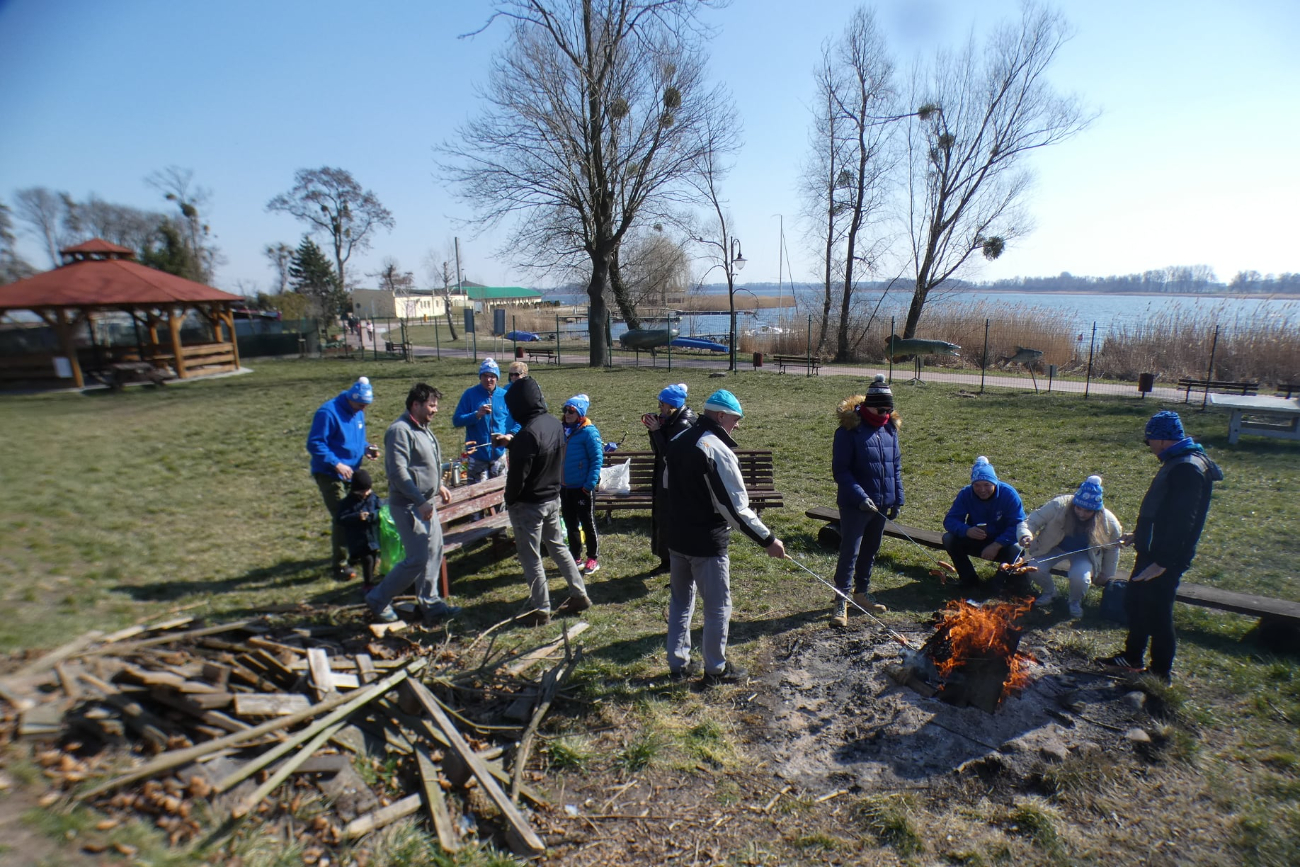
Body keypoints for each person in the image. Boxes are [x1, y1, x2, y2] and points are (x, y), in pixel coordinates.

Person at [664, 390, 786, 684]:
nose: (738, 425)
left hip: (676, 538)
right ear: (720, 416)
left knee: (681, 601)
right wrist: (768, 540)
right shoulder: (715, 449)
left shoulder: (677, 441)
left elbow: (666, 488)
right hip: (707, 544)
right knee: (718, 607)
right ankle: (715, 669)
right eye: (735, 419)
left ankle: (677, 664)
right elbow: (734, 507)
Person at [1097, 411, 1222, 682]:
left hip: (1165, 558)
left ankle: (1160, 672)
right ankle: (1132, 657)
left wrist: (1162, 562)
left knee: (1158, 611)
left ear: (1163, 439)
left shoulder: (1188, 468)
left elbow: (1182, 522)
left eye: (1149, 440)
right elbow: (1162, 513)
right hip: (1154, 550)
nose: (1149, 445)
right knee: (1137, 602)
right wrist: (1139, 535)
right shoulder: (1178, 461)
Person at [365, 383, 460, 625]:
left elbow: (422, 464)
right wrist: (419, 501)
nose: (435, 410)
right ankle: (377, 599)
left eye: (436, 405)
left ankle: (431, 604)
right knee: (417, 558)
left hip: (425, 503)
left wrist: (438, 485)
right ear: (415, 405)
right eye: (431, 405)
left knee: (434, 552)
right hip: (409, 506)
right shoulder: (400, 431)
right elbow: (397, 472)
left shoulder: (423, 428)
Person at [503, 376, 591, 626]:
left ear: (520, 405)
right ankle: (579, 594)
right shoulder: (554, 423)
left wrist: (510, 500)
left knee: (531, 557)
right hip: (553, 498)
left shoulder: (526, 435)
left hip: (528, 505)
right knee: (558, 548)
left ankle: (541, 609)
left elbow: (517, 478)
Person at [829, 375, 902, 627]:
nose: (885, 413)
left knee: (870, 550)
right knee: (850, 551)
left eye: (889, 409)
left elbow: (895, 466)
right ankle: (841, 599)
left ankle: (862, 592)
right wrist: (861, 497)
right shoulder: (848, 431)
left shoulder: (890, 428)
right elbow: (841, 471)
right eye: (881, 409)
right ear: (868, 405)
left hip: (882, 503)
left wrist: (897, 499)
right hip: (855, 504)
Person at [306, 376, 379, 579]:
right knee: (342, 516)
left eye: (366, 405)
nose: (363, 409)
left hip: (352, 473)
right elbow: (315, 443)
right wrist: (336, 463)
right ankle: (339, 564)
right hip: (330, 473)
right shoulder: (328, 413)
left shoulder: (357, 412)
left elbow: (357, 438)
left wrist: (366, 448)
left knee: (358, 512)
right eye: (361, 405)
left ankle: (355, 551)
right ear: (351, 398)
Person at [1023, 475, 1123, 619]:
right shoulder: (1059, 505)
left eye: (1087, 511)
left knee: (1080, 578)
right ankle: (1050, 592)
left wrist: (1107, 573)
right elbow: (1032, 520)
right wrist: (1026, 534)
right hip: (1054, 546)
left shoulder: (1109, 522)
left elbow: (1113, 548)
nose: (1081, 514)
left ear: (1096, 511)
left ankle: (1074, 602)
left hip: (1084, 555)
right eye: (1078, 508)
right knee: (1034, 567)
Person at [941, 456, 1029, 594]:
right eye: (977, 485)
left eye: (987, 485)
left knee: (1016, 548)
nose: (982, 489)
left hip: (1002, 543)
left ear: (995, 483)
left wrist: (997, 545)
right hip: (976, 539)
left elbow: (1019, 525)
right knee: (948, 538)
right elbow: (950, 521)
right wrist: (967, 530)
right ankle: (969, 581)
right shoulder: (966, 494)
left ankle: (998, 584)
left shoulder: (1008, 494)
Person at [643, 383, 696, 575]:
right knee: (662, 517)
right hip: (665, 478)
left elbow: (669, 453)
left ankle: (675, 563)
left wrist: (657, 430)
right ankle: (666, 560)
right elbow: (657, 450)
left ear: (672, 405)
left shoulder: (683, 423)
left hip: (675, 481)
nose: (659, 408)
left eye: (662, 404)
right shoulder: (672, 420)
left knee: (671, 520)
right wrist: (653, 430)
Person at [452, 359, 518, 483]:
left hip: (499, 456)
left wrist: (510, 434)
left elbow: (520, 420)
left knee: (501, 495)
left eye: (492, 376)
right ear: (480, 377)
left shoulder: (505, 396)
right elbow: (456, 420)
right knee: (477, 496)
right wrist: (476, 415)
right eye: (485, 376)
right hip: (477, 457)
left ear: (497, 378)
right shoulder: (470, 394)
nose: (489, 379)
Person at [560, 394, 603, 574]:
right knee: (570, 524)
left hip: (582, 488)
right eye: (565, 410)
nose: (567, 414)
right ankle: (575, 555)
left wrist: (589, 484)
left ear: (580, 414)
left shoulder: (589, 432)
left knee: (587, 523)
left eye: (572, 411)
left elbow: (596, 459)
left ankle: (592, 558)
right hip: (565, 487)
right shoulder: (561, 430)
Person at [336, 469, 383, 593]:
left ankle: (370, 579)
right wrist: (357, 517)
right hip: (359, 539)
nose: (366, 493)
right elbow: (340, 519)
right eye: (362, 491)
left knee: (372, 558)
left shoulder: (373, 498)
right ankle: (368, 584)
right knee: (367, 559)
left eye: (368, 490)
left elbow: (381, 511)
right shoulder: (347, 503)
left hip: (372, 536)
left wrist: (373, 515)